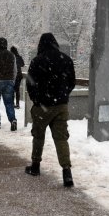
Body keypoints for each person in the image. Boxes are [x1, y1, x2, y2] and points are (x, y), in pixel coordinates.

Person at [25, 33, 76, 187]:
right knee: (61, 138)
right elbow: (71, 82)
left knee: (38, 136)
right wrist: (63, 95)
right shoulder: (66, 59)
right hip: (61, 106)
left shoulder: (37, 61)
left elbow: (30, 84)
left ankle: (35, 166)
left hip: (42, 106)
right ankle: (67, 172)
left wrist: (37, 99)